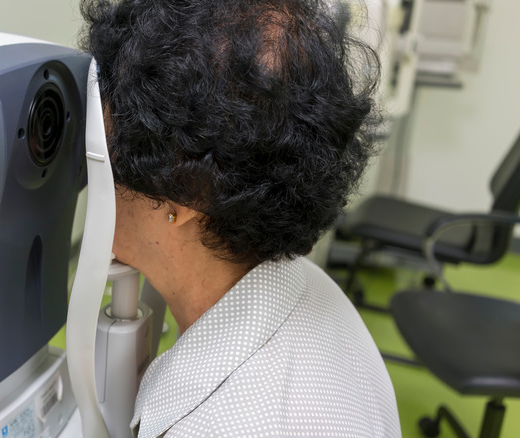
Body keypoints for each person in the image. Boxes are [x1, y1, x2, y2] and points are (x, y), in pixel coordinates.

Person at [81, 0, 401, 436]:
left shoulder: (226, 423)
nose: (89, 178)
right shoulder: (310, 286)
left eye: (100, 154)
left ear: (185, 188)